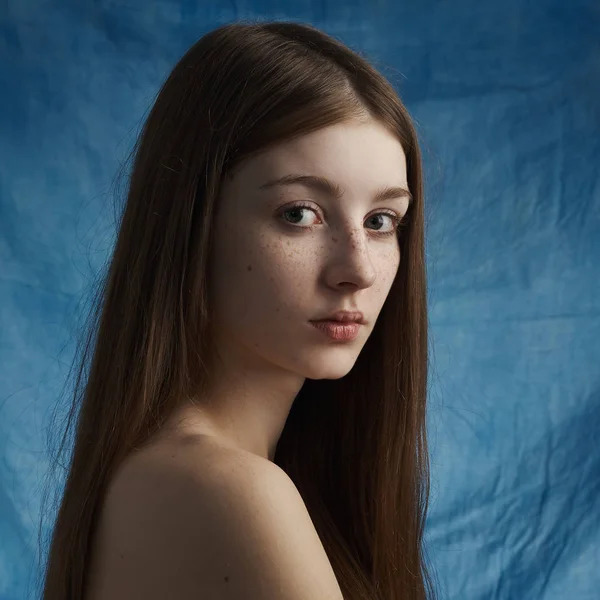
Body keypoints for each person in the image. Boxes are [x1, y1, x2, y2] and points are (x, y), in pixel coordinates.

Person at [38, 20, 437, 600]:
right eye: (299, 213)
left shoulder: (165, 473)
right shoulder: (230, 489)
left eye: (382, 221)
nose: (359, 269)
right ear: (193, 223)